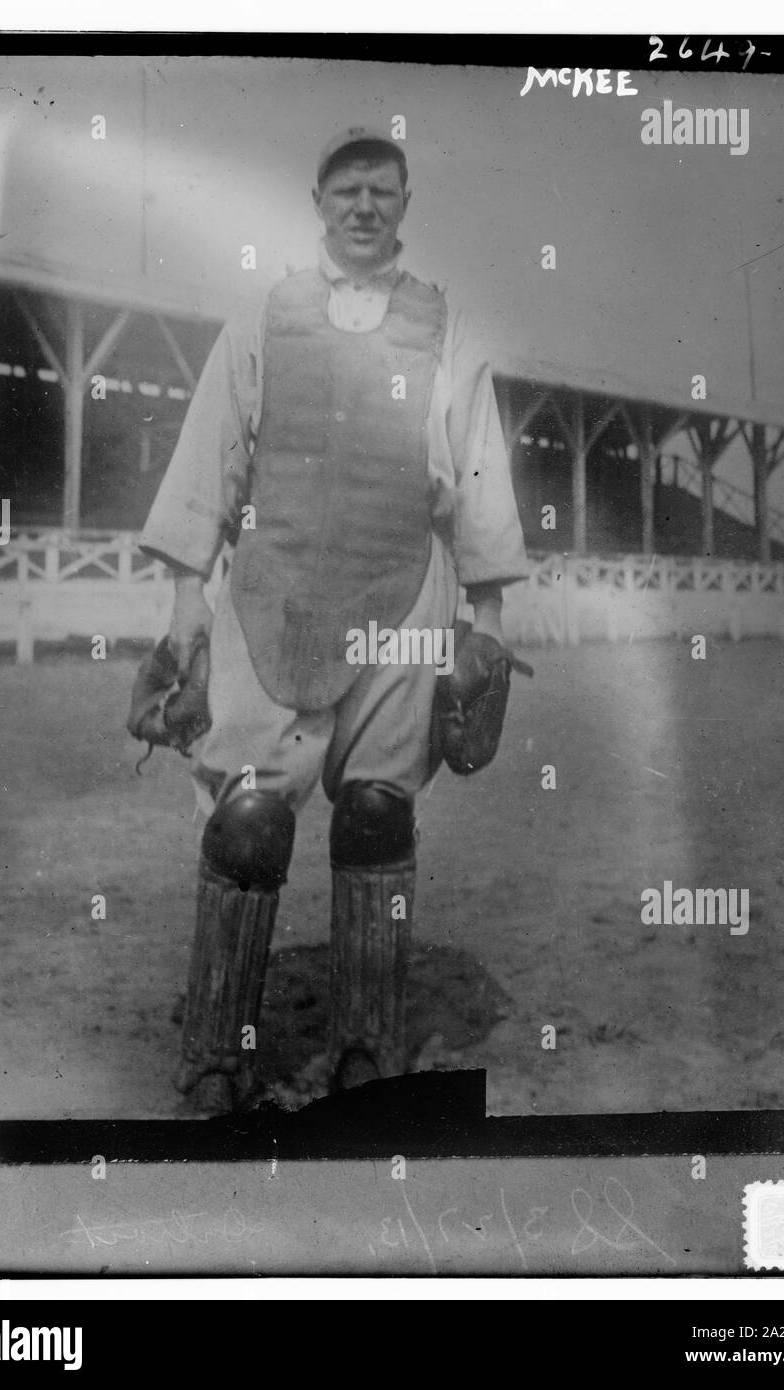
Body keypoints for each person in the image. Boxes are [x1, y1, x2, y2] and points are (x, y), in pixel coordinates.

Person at [139, 126, 529, 1116]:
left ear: (403, 204)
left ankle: (370, 1047)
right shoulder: (264, 315)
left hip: (403, 596)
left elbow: (478, 473)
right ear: (318, 198)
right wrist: (185, 621)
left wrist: (486, 625)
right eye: (347, 188)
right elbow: (208, 461)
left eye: (382, 190)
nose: (364, 205)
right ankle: (216, 1056)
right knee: (250, 819)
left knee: (376, 812)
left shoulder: (447, 325)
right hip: (274, 595)